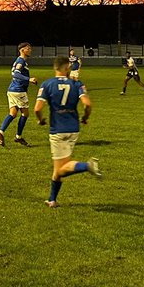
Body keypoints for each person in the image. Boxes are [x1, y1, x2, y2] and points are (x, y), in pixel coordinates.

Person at [35, 56, 102, 208]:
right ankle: (52, 200)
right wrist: (85, 117)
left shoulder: (47, 84)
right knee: (57, 169)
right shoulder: (77, 83)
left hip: (58, 130)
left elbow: (38, 108)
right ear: (66, 68)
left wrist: (40, 120)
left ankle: (88, 166)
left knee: (60, 169)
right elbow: (88, 105)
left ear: (55, 68)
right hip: (73, 129)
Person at [0, 42, 36, 147]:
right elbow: (16, 73)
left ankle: (1, 132)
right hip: (19, 91)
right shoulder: (21, 61)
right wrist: (29, 79)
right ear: (22, 50)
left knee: (13, 114)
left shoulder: (20, 61)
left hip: (12, 90)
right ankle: (18, 137)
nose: (30, 50)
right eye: (28, 48)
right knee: (25, 113)